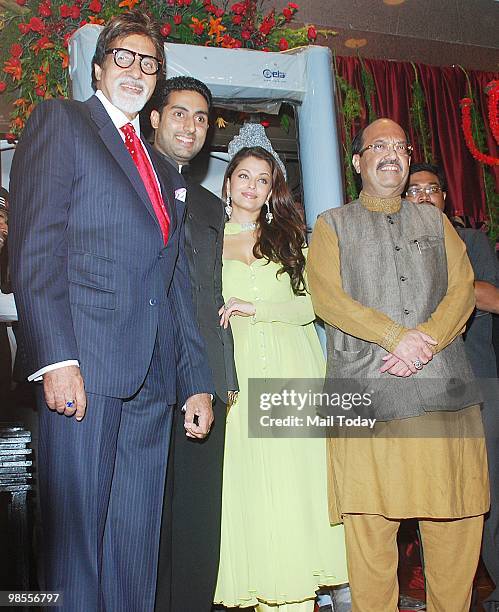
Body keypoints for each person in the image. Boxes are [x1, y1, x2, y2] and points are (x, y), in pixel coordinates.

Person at [8, 11, 213, 611]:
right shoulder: (62, 122)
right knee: (76, 553)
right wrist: (56, 359)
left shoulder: (155, 162)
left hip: (150, 383)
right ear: (99, 68)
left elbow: (171, 283)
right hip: (86, 375)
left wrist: (194, 382)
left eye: (149, 63)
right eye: (124, 57)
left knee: (134, 548)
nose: (136, 70)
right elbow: (35, 247)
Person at [307, 118, 489, 612]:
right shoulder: (331, 225)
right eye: (377, 146)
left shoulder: (436, 222)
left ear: (410, 160)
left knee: (454, 523)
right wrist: (395, 337)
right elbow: (328, 299)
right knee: (369, 530)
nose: (390, 154)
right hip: (367, 393)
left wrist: (425, 340)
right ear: (357, 162)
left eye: (399, 147)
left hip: (441, 394)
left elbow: (462, 289)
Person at [213, 125, 349, 612]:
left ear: (274, 190)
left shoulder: (291, 237)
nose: (251, 186)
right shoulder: (208, 238)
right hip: (241, 376)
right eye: (243, 176)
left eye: (263, 179)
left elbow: (313, 306)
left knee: (296, 491)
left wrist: (259, 307)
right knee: (257, 494)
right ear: (227, 184)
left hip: (294, 369)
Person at [149, 76, 238, 612]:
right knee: (149, 523)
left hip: (206, 381)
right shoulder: (127, 184)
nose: (191, 126)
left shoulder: (210, 207)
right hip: (147, 382)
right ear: (154, 117)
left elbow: (218, 294)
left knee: (200, 523)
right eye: (179, 113)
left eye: (201, 118)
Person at [406, 162, 499, 612]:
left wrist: (451, 278)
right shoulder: (395, 243)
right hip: (419, 385)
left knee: (489, 492)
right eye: (414, 190)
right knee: (434, 495)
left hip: (477, 379)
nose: (424, 195)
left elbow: (493, 297)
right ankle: (448, 595)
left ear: (446, 199)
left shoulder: (472, 242)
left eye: (433, 189)